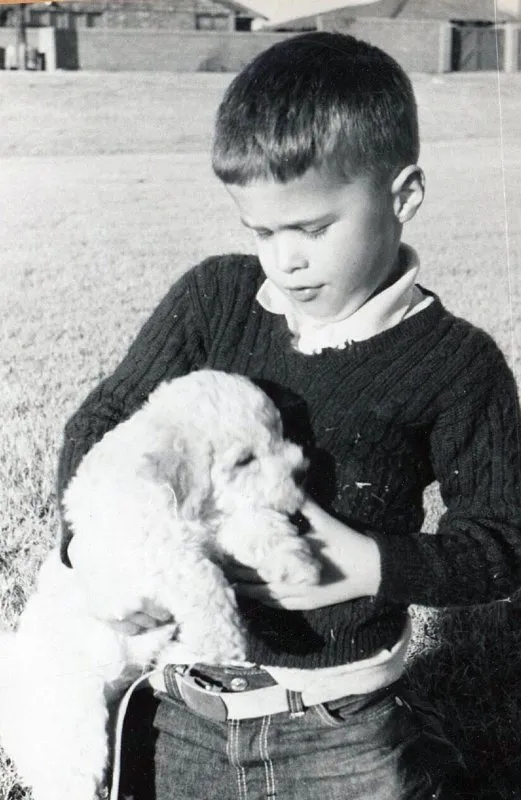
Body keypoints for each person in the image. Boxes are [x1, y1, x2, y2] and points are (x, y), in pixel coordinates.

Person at [57, 32, 521, 799]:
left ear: (402, 195)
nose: (285, 260)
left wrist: (369, 565)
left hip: (341, 723)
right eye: (262, 231)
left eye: (311, 228)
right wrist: (99, 552)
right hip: (183, 711)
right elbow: (104, 421)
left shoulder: (456, 363)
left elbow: (502, 538)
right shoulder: (214, 300)